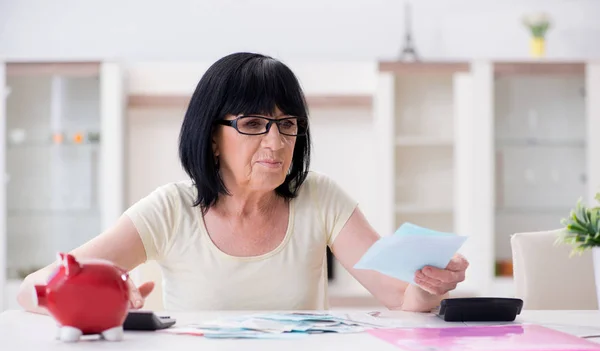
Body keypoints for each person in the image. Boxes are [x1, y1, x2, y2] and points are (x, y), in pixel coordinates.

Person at [17, 52, 469, 313]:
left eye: (287, 123)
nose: (276, 141)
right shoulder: (170, 210)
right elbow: (33, 288)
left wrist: (427, 286)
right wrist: (101, 297)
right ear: (212, 137)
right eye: (254, 123)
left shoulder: (321, 197)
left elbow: (398, 295)